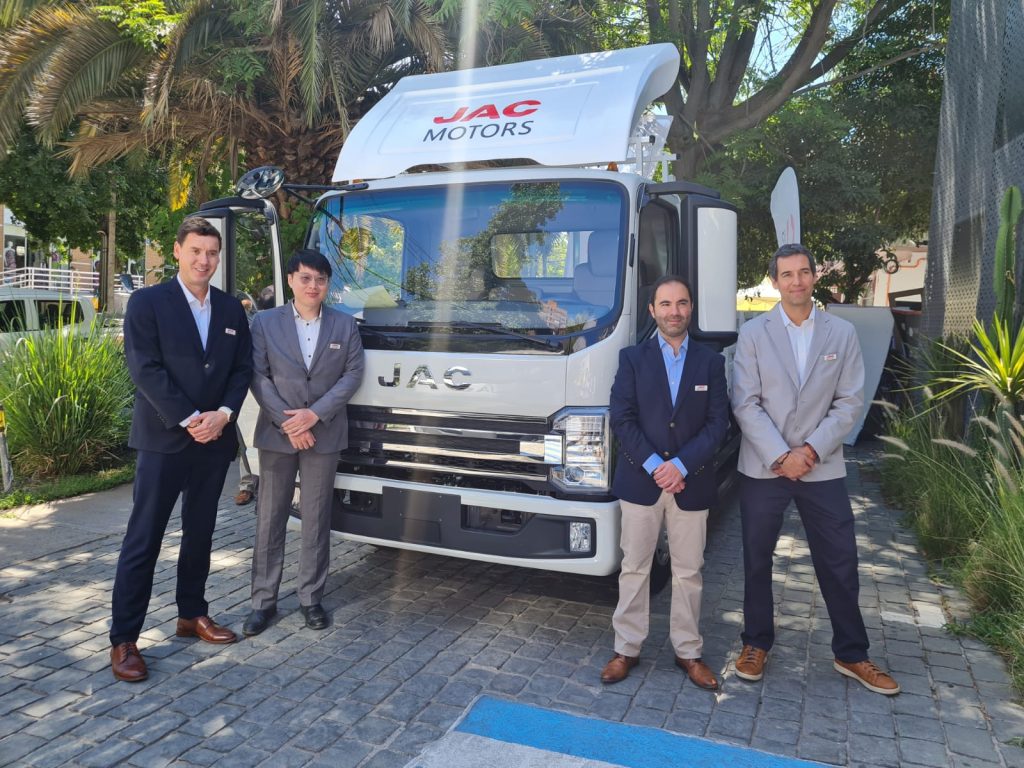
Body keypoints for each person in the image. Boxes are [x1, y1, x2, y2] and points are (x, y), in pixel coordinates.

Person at [731, 243, 900, 696]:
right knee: (756, 559)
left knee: (840, 559)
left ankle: (851, 653)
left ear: (814, 277)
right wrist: (781, 455)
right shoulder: (753, 333)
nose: (797, 281)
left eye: (804, 272)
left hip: (821, 466)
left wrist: (809, 450)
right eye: (787, 274)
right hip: (764, 467)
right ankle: (755, 643)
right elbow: (744, 403)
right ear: (775, 282)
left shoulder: (840, 333)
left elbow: (849, 402)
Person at [109, 217, 253, 682]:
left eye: (211, 253)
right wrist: (191, 419)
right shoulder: (148, 303)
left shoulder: (231, 309)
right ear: (177, 251)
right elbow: (144, 368)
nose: (204, 260)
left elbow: (241, 369)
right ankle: (124, 638)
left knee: (201, 533)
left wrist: (224, 414)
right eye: (195, 251)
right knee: (144, 538)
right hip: (164, 440)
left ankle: (192, 614)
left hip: (214, 442)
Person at [601, 275, 729, 690]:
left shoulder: (711, 362)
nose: (675, 311)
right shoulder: (632, 359)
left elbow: (718, 423)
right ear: (652, 310)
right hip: (642, 480)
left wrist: (682, 466)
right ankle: (626, 648)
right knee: (634, 568)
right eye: (666, 304)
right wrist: (659, 465)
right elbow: (622, 418)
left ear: (691, 308)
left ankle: (688, 651)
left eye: (682, 303)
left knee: (689, 571)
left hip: (692, 483)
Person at [242, 250, 364, 636]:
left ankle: (311, 598)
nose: (314, 286)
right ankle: (263, 602)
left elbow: (352, 374)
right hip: (277, 435)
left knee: (316, 518)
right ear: (291, 280)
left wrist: (314, 415)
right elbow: (257, 375)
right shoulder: (265, 322)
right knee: (270, 518)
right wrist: (290, 423)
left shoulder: (345, 325)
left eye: (321, 279)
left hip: (324, 435)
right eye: (306, 278)